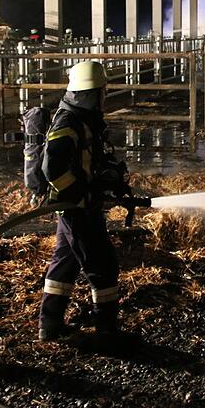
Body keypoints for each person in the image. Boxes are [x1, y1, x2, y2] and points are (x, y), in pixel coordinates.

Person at [39, 61, 129, 347]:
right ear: (91, 92)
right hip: (77, 209)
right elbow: (52, 169)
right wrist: (81, 195)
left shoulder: (83, 118)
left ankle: (49, 325)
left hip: (77, 207)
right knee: (102, 266)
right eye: (102, 91)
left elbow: (86, 161)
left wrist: (107, 177)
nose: (104, 96)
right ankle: (106, 330)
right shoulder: (69, 122)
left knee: (64, 265)